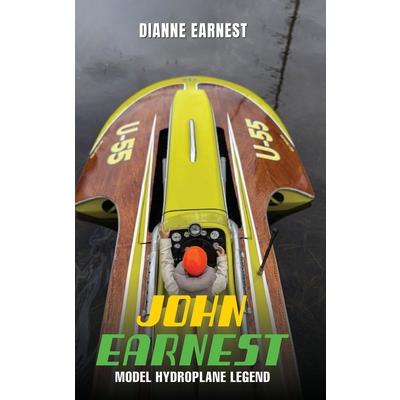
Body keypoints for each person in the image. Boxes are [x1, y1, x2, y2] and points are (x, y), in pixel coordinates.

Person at [159, 224, 227, 297]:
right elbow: (222, 275)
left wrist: (164, 239)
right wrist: (221, 258)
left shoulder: (172, 286)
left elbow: (166, 263)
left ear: (183, 263)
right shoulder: (216, 286)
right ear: (205, 264)